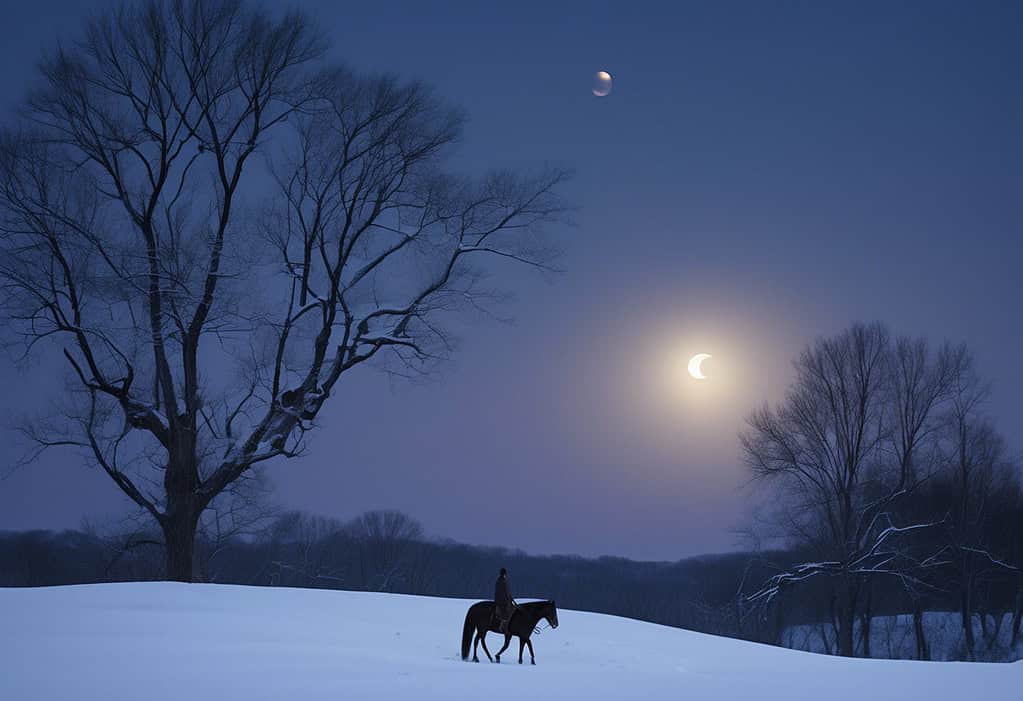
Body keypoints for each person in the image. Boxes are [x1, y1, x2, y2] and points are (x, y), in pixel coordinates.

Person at [494, 567, 515, 633]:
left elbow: (507, 592)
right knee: (506, 613)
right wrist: (507, 600)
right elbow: (502, 592)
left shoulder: (503, 580)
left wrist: (511, 598)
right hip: (502, 601)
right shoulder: (501, 581)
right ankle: (502, 627)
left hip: (504, 600)